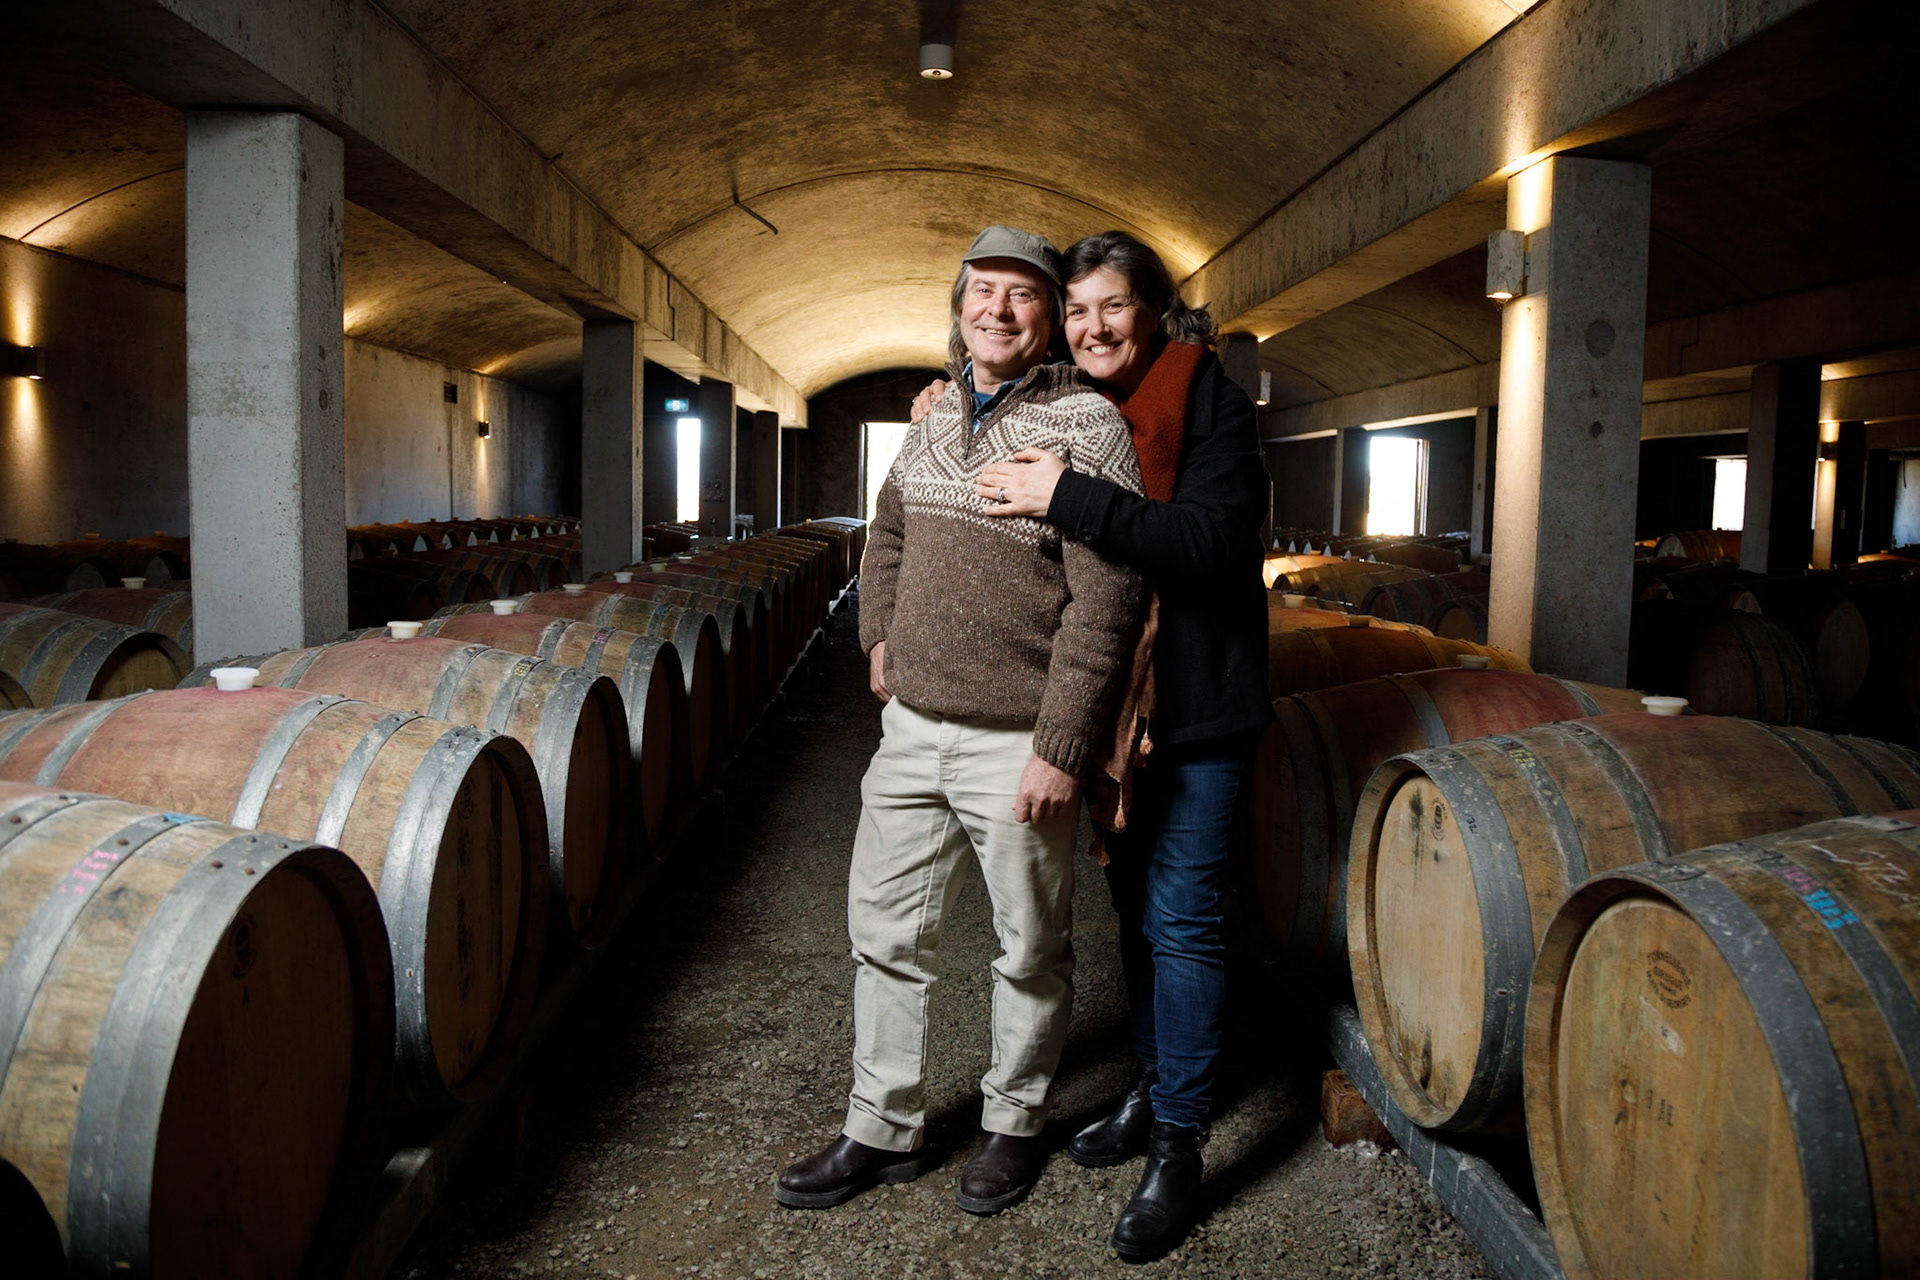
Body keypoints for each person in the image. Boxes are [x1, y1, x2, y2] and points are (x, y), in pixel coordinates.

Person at [775, 226, 1146, 1217]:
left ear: (1048, 314)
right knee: (884, 931)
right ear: (958, 304)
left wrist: (1063, 744)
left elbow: (1105, 603)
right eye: (981, 290)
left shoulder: (1087, 426)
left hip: (1016, 740)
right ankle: (879, 1126)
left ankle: (1014, 1122)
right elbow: (889, 528)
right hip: (909, 731)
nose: (997, 309)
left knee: (1029, 943)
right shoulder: (932, 415)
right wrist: (879, 636)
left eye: (1021, 294)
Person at [913, 229, 1270, 1260]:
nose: (1092, 326)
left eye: (1113, 305)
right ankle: (1153, 1091)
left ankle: (1181, 1142)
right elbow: (986, 395)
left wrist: (1068, 495)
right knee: (1133, 914)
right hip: (1122, 712)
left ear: (1153, 310)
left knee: (1186, 918)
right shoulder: (1071, 396)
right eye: (1077, 310)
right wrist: (942, 401)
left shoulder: (1210, 397)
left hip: (1200, 706)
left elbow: (1208, 540)